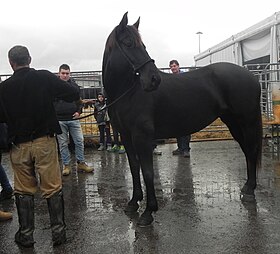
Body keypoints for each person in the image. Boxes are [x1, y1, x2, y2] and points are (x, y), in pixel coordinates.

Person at [0, 45, 80, 247]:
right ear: (30, 59)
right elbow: (72, 92)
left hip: (19, 145)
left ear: (11, 63)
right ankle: (58, 234)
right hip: (45, 141)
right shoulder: (44, 77)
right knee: (52, 187)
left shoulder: (4, 88)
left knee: (24, 190)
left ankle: (26, 234)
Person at [54, 64, 93, 176]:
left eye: (67, 73)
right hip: (60, 120)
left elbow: (79, 102)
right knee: (63, 143)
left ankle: (81, 162)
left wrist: (79, 112)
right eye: (63, 73)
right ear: (59, 73)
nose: (65, 75)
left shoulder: (74, 87)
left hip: (73, 118)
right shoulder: (53, 87)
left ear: (70, 74)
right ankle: (66, 165)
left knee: (79, 141)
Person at [169, 60, 191, 158]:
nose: (173, 68)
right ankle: (180, 148)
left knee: (186, 127)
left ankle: (186, 149)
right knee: (177, 127)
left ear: (178, 66)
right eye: (171, 66)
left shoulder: (184, 76)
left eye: (174, 66)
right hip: (175, 105)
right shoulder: (170, 78)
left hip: (185, 104)